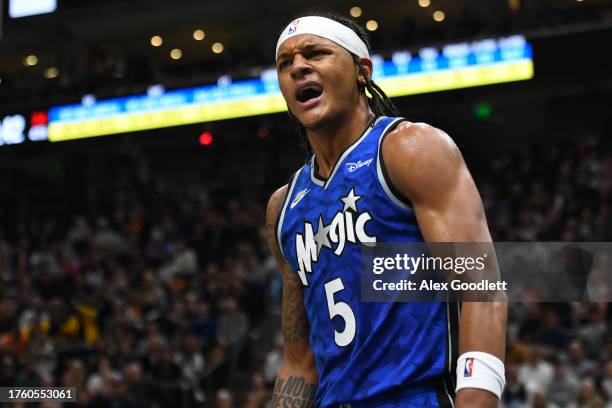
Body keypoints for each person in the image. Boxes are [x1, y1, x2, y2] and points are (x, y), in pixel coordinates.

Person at [265, 13, 507, 407]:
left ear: (362, 71)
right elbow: (298, 361)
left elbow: (482, 293)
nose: (298, 68)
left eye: (316, 53)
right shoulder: (284, 207)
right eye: (284, 63)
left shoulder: (409, 148)